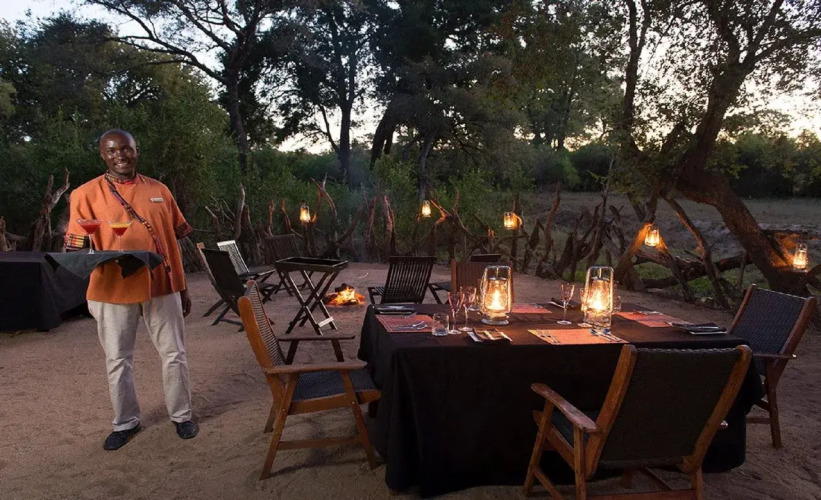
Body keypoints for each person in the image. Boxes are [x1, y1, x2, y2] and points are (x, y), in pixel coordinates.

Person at [65, 129, 198, 450]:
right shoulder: (84, 194)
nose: (120, 155)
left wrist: (181, 287)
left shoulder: (159, 190)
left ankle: (182, 415)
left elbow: (175, 243)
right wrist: (89, 252)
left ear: (136, 151)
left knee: (174, 354)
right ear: (102, 155)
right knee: (117, 358)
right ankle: (125, 422)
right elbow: (75, 247)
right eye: (112, 151)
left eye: (126, 149)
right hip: (112, 288)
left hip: (161, 284)